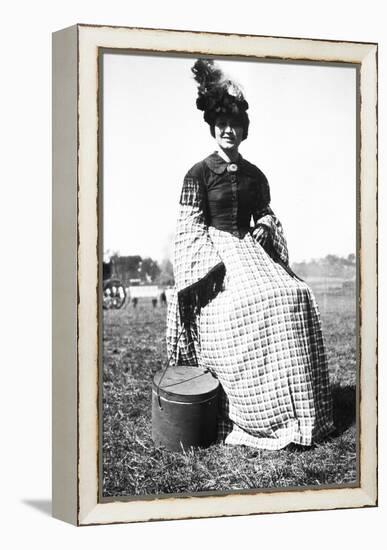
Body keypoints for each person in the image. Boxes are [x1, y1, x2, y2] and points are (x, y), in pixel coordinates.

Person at [166, 59, 334, 450]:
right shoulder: (198, 174)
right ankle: (249, 411)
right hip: (216, 257)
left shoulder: (256, 175)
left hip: (252, 251)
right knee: (245, 303)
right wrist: (212, 269)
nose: (228, 129)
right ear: (212, 126)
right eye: (221, 122)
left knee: (294, 296)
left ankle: (297, 413)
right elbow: (188, 228)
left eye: (235, 123)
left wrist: (266, 225)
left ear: (243, 129)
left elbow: (268, 214)